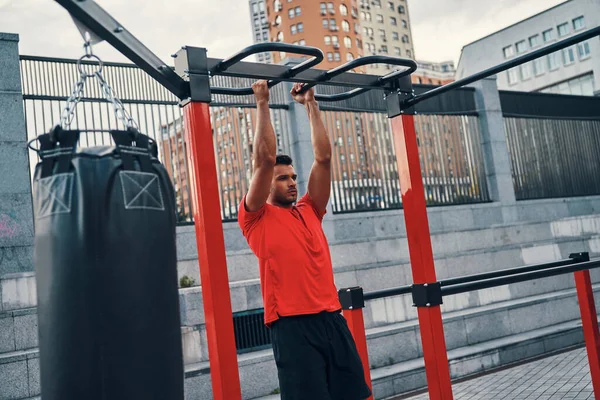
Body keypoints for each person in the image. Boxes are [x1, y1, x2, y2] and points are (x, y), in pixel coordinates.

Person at [237, 80, 372, 400]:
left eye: (293, 177)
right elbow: (265, 160)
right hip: (293, 329)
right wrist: (262, 103)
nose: (292, 183)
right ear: (266, 184)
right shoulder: (254, 216)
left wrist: (311, 105)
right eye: (283, 179)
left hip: (331, 321)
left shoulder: (310, 209)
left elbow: (323, 158)